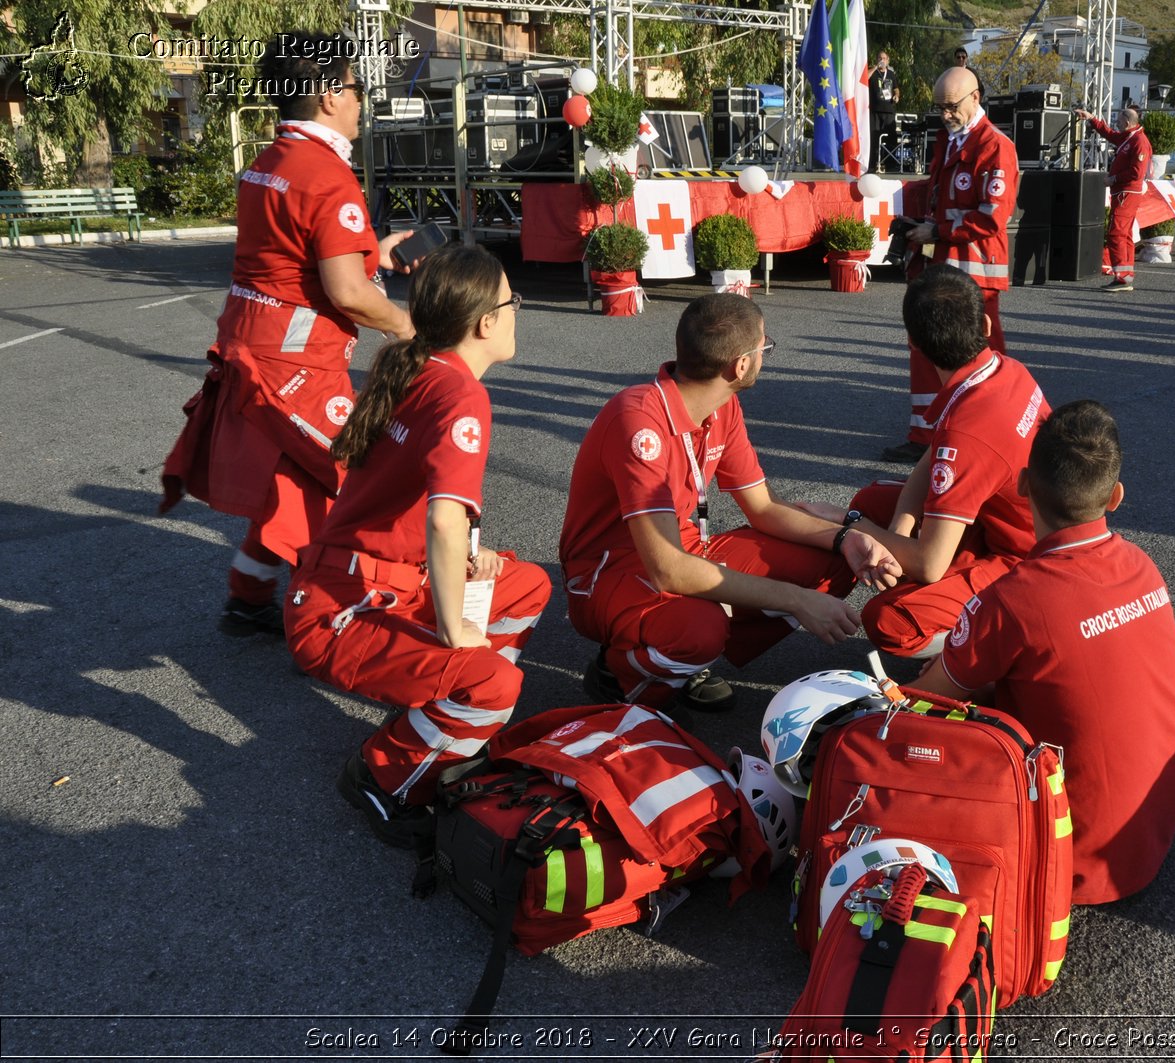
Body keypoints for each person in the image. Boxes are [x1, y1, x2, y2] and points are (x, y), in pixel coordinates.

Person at [284, 245, 551, 846]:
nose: (517, 311)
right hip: (344, 609)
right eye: (514, 301)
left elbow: (426, 505)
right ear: (486, 323)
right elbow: (442, 520)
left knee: (527, 585)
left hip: (365, 580)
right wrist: (457, 630)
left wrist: (467, 556)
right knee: (493, 682)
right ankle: (382, 777)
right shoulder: (461, 395)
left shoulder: (416, 362)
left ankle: (450, 723)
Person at [160, 32, 417, 637]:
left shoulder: (268, 163)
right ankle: (338, 616)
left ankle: (248, 598)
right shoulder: (326, 176)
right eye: (357, 89)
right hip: (295, 362)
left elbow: (290, 260)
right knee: (360, 480)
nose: (361, 102)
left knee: (295, 481)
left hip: (252, 346)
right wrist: (409, 326)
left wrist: (368, 255)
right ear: (329, 96)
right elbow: (346, 293)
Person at [559, 294, 902, 714]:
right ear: (740, 365)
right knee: (698, 631)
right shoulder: (640, 425)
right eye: (765, 348)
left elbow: (763, 508)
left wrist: (846, 538)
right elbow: (666, 568)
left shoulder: (722, 405)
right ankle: (622, 676)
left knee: (835, 558)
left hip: (683, 549)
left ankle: (687, 657)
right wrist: (796, 600)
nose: (765, 355)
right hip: (610, 572)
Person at [913, 400, 1175, 904]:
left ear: (1022, 485)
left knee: (927, 738)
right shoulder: (1143, 566)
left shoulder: (1012, 600)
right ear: (1116, 496)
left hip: (1065, 857)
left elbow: (919, 703)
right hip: (1155, 831)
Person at [817, 265, 1047, 659]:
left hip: (1026, 562)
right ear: (987, 325)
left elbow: (929, 564)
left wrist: (851, 525)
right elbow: (930, 464)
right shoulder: (1005, 371)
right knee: (872, 501)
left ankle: (997, 657)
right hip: (1013, 530)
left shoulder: (969, 430)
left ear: (913, 344)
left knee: (890, 620)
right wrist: (892, 534)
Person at [884, 65, 1019, 464]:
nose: (944, 114)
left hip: (975, 270)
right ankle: (925, 434)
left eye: (951, 106)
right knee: (924, 343)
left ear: (975, 97)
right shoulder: (948, 139)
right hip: (942, 264)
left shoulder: (995, 146)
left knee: (981, 355)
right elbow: (939, 194)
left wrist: (936, 231)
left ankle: (995, 430)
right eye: (940, 107)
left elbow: (992, 216)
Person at [1073, 103, 1151, 292]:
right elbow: (1109, 134)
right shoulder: (1129, 137)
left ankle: (1122, 277)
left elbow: (1137, 172)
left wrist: (1113, 178)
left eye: (1118, 121)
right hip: (1123, 192)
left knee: (1116, 233)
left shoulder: (1139, 141)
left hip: (1127, 193)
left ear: (1126, 121)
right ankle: (1125, 275)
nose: (1116, 124)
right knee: (1124, 235)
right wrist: (1091, 118)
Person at [868, 51, 900, 173]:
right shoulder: (873, 72)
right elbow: (864, 78)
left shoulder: (891, 74)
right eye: (880, 58)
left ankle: (890, 165)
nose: (882, 60)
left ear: (888, 61)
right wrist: (876, 67)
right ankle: (872, 165)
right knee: (874, 137)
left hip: (889, 111)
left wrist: (896, 96)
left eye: (884, 58)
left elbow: (896, 89)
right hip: (875, 111)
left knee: (891, 138)